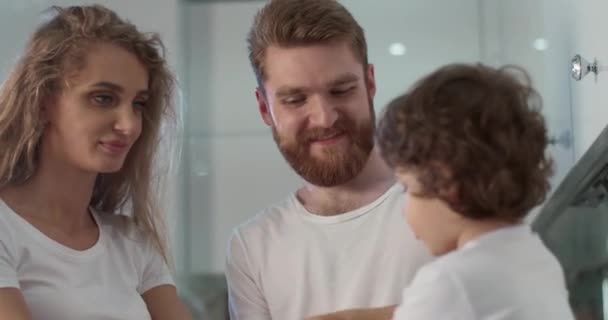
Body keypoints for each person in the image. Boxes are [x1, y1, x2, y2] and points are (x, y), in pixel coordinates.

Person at [224, 1, 431, 319]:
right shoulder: (252, 247)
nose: (324, 118)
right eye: (296, 100)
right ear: (264, 109)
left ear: (370, 83)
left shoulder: (446, 200)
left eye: (341, 90)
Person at [0, 5, 192, 320]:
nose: (129, 125)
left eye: (138, 104)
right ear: (42, 102)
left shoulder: (131, 242)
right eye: (103, 98)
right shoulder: (6, 231)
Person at [376, 64, 575, 319]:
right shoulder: (539, 260)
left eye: (407, 187)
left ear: (446, 181)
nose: (405, 211)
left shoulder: (450, 282)